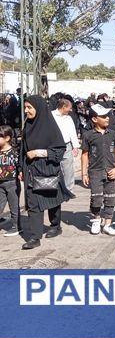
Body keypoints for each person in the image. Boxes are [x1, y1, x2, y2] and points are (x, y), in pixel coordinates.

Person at [20, 95, 70, 250]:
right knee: (33, 202)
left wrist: (39, 153)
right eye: (25, 108)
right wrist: (21, 169)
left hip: (48, 169)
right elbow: (23, 150)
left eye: (29, 108)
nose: (26, 111)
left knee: (52, 199)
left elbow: (59, 151)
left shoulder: (50, 127)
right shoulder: (27, 125)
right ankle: (35, 237)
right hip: (31, 170)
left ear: (39, 108)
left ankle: (55, 225)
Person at [80, 104, 115, 236]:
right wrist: (84, 173)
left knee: (110, 198)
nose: (107, 119)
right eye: (103, 116)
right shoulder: (88, 135)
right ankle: (96, 220)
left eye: (107, 116)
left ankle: (108, 223)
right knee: (96, 198)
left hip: (111, 171)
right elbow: (84, 155)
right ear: (94, 119)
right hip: (95, 172)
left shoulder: (113, 134)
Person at [52, 98, 80, 195]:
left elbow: (73, 132)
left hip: (66, 145)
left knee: (68, 168)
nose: (71, 110)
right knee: (54, 168)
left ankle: (69, 190)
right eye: (69, 108)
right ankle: (55, 188)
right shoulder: (51, 116)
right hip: (53, 146)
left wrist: (75, 146)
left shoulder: (68, 118)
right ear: (63, 107)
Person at [0, 125, 21, 236]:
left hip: (12, 183)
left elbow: (19, 165)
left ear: (7, 138)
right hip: (0, 183)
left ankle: (17, 227)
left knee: (14, 206)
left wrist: (21, 173)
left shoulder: (14, 152)